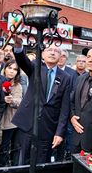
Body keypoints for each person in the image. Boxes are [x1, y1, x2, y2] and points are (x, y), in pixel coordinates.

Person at [11, 36, 72, 164]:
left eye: (56, 51)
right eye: (49, 49)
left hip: (48, 127)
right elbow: (22, 60)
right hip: (28, 124)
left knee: (42, 162)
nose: (52, 52)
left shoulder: (65, 77)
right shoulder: (35, 68)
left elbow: (65, 108)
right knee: (23, 161)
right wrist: (18, 47)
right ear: (43, 54)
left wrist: (59, 132)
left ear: (61, 56)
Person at [0, 59, 24, 166]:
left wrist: (11, 100)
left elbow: (19, 101)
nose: (12, 71)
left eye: (15, 69)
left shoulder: (17, 85)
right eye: (10, 68)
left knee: (6, 148)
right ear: (5, 68)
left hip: (10, 122)